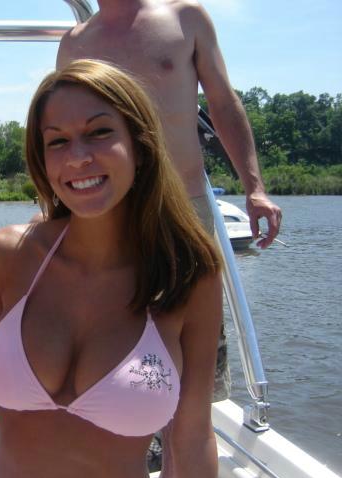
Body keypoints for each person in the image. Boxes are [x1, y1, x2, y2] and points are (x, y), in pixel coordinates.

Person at [0, 60, 223, 478]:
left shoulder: (189, 274)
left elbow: (193, 435)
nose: (77, 158)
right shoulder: (7, 255)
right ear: (42, 160)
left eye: (99, 132)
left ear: (140, 146)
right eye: (57, 141)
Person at [56, 0, 282, 403]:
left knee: (195, 345)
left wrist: (255, 188)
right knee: (117, 340)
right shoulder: (74, 44)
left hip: (184, 210)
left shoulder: (185, 19)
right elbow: (64, 129)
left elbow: (223, 103)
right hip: (110, 216)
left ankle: (192, 428)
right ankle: (131, 430)